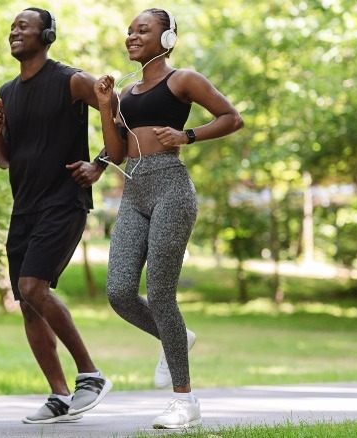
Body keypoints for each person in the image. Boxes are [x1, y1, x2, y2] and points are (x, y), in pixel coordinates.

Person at [93, 8, 244, 429]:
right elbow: (118, 152)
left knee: (161, 295)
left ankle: (185, 402)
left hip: (172, 189)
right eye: (129, 31)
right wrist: (106, 106)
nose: (132, 36)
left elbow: (232, 117)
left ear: (166, 39)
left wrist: (188, 135)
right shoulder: (125, 93)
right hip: (134, 192)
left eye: (143, 30)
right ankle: (175, 336)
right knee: (120, 291)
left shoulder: (184, 79)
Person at [0, 7, 114, 425]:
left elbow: (119, 114)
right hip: (24, 207)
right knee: (27, 303)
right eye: (12, 27)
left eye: (24, 26)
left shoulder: (71, 80)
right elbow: (3, 161)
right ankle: (59, 397)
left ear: (48, 35)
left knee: (32, 286)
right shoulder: (7, 90)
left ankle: (90, 375)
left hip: (64, 201)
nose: (14, 32)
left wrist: (100, 163)